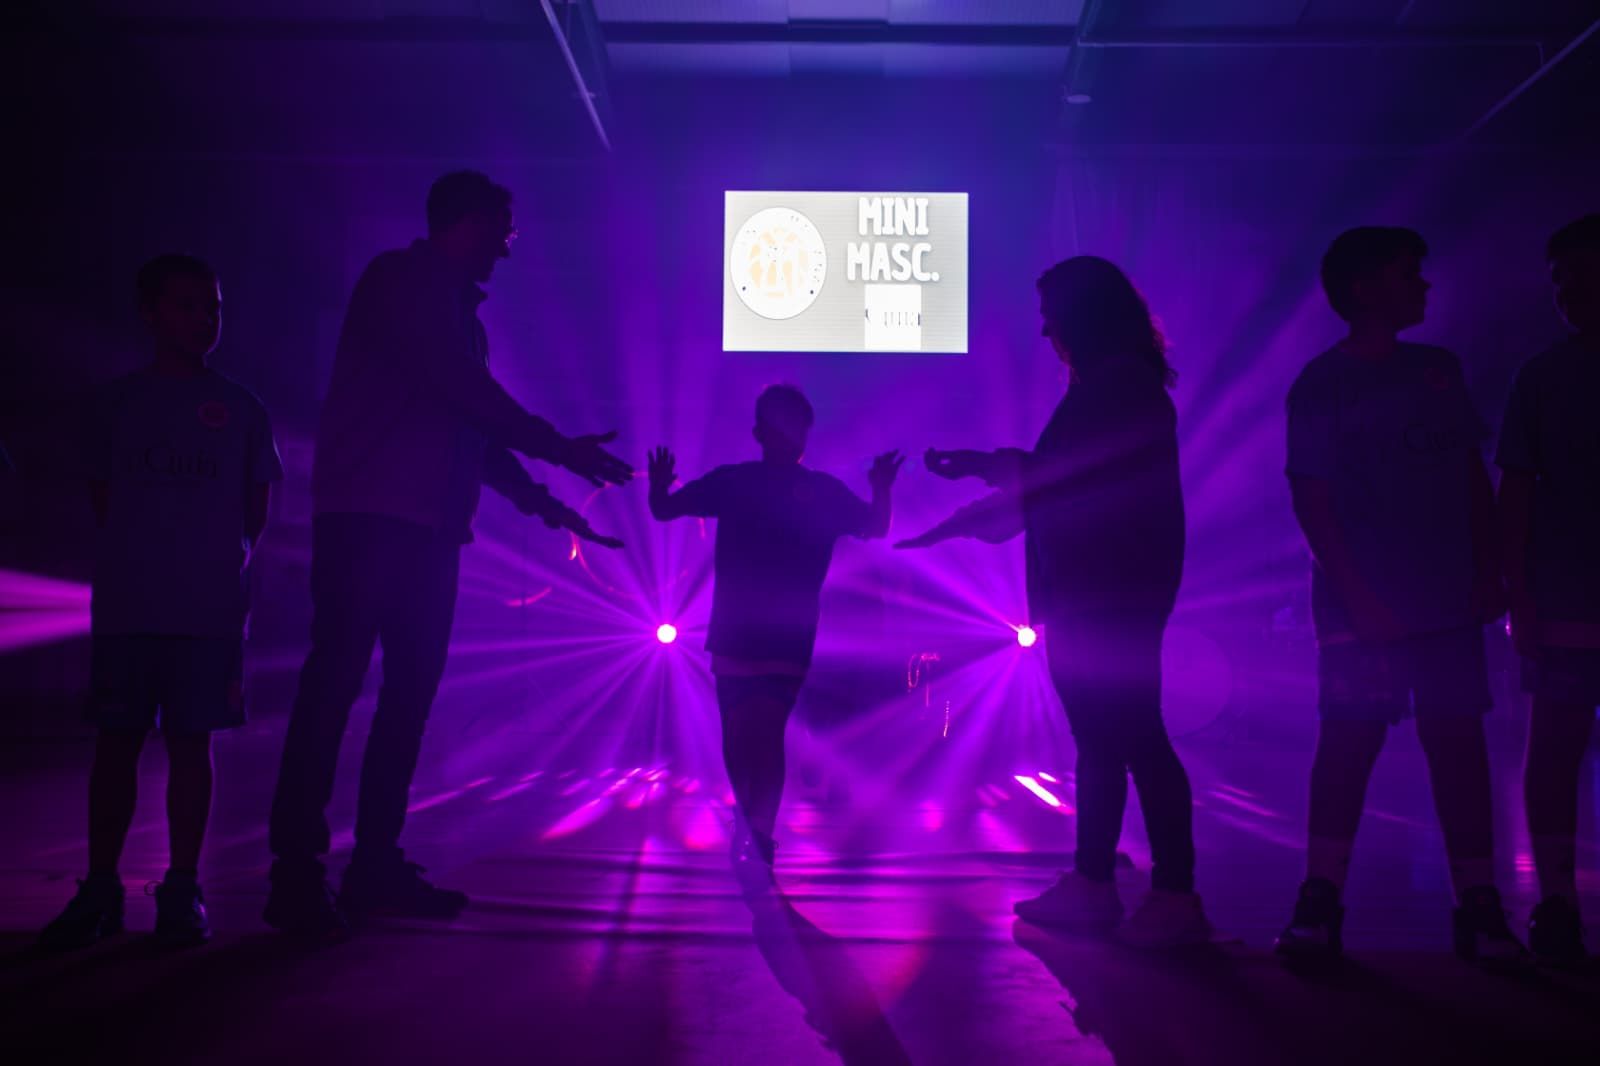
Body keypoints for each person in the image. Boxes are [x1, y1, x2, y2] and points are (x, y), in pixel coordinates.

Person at [264, 172, 629, 936]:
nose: (508, 246)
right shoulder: (403, 282)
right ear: (464, 223)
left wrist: (548, 502)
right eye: (503, 229)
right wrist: (560, 452)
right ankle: (298, 876)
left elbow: (472, 427)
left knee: (402, 697)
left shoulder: (458, 314)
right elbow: (467, 396)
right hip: (372, 517)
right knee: (337, 690)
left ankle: (370, 866)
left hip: (425, 529)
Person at [899, 255, 1208, 948]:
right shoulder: (1121, 386)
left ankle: (1166, 894)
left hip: (1105, 590)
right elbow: (1054, 487)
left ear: (1082, 316)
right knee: (1111, 738)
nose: (1045, 331)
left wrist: (975, 473)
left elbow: (1054, 480)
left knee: (1130, 736)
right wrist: (962, 510)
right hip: (1106, 589)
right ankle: (1104, 885)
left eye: (1051, 316)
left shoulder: (1116, 389)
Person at [1275, 227, 1521, 965]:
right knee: (1352, 744)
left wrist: (1490, 567)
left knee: (1456, 744)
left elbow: (1471, 477)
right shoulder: (1323, 384)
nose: (1423, 285)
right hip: (1366, 607)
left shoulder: (1438, 370)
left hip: (1443, 597)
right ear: (1364, 289)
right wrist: (1358, 597)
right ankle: (1323, 897)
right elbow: (1312, 500)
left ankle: (1476, 902)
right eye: (1408, 273)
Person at [40, 254, 282, 949]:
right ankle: (101, 887)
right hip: (130, 605)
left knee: (190, 746)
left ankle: (181, 886)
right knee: (115, 745)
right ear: (149, 314)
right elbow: (102, 499)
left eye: (213, 307)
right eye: (187, 305)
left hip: (207, 610)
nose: (204, 319)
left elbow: (255, 511)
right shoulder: (116, 404)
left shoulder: (242, 409)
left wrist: (212, 567)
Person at [648, 385, 902, 890]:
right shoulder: (750, 483)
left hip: (775, 633)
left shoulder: (772, 486)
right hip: (746, 630)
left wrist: (881, 489)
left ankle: (758, 831)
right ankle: (753, 825)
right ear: (761, 432)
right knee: (743, 735)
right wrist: (880, 489)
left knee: (758, 732)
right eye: (783, 424)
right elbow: (875, 525)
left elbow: (664, 508)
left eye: (796, 425)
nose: (790, 434)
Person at [1496, 213, 1600, 966]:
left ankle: (1558, 903)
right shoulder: (1542, 376)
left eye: (1581, 275)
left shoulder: (1544, 376)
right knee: (1555, 747)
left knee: (1555, 748)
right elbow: (1517, 492)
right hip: (1563, 594)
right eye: (1561, 281)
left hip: (1560, 593)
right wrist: (1519, 593)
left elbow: (1517, 489)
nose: (1567, 292)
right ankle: (1557, 899)